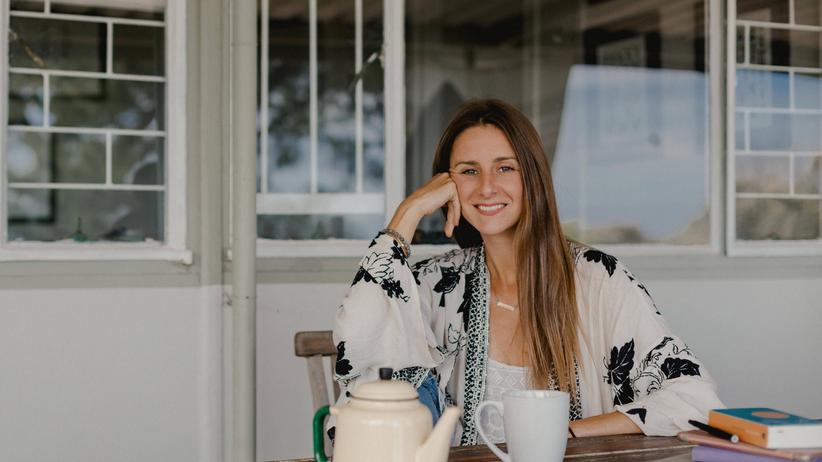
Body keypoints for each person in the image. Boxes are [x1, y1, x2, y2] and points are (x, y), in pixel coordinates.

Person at [329, 99, 722, 445]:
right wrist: (407, 213)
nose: (486, 187)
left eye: (505, 168)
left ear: (532, 176)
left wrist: (567, 432)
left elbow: (692, 399)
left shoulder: (598, 280)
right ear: (446, 185)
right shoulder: (436, 284)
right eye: (468, 171)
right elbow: (361, 350)